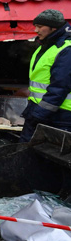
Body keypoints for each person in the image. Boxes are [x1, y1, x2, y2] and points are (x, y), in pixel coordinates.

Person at [19, 9, 71, 142]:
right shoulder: (47, 46)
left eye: (40, 26)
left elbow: (60, 86)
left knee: (45, 153)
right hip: (41, 112)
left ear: (54, 28)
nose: (36, 30)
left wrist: (39, 114)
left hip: (59, 117)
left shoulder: (66, 49)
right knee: (26, 150)